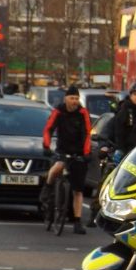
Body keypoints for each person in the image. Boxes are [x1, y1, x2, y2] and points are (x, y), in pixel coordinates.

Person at [40, 84, 92, 234]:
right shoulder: (58, 111)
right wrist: (46, 146)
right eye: (71, 98)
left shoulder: (83, 113)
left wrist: (87, 153)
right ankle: (48, 188)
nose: (74, 101)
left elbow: (88, 133)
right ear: (65, 99)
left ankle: (77, 221)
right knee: (57, 168)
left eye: (76, 98)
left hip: (79, 152)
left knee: (78, 189)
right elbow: (48, 129)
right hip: (63, 150)